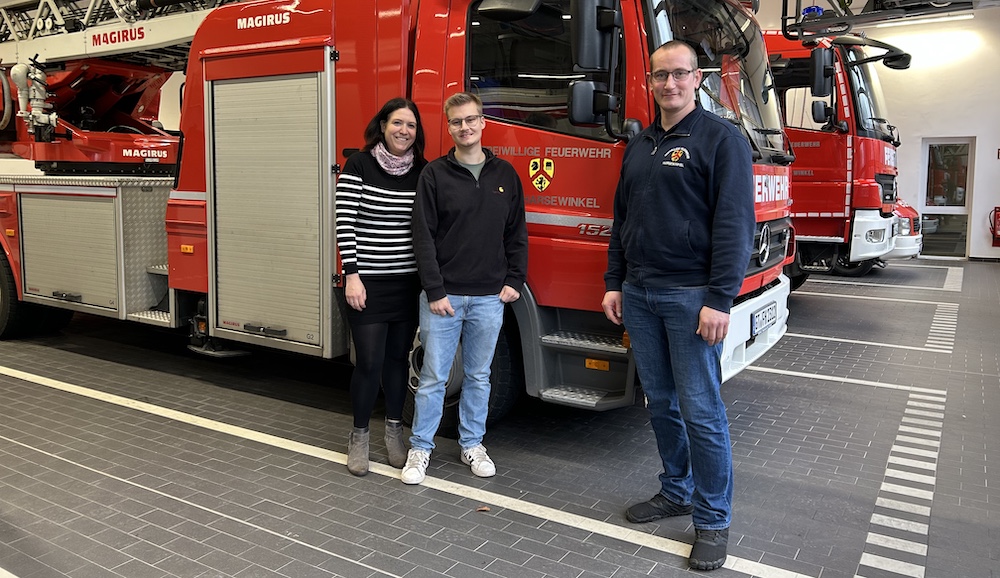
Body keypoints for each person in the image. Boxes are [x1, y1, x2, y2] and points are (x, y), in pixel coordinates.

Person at [601, 41, 755, 571]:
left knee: (701, 411)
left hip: (690, 297)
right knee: (661, 403)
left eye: (680, 74)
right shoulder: (640, 145)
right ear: (649, 81)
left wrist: (719, 299)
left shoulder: (721, 140)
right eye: (661, 75)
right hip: (640, 294)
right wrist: (615, 282)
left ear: (697, 79)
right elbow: (622, 220)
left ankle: (712, 520)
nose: (670, 83)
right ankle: (676, 491)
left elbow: (735, 224)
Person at [401, 92, 528, 485]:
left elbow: (516, 232)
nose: (465, 127)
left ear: (483, 122)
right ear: (449, 126)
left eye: (471, 119)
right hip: (444, 298)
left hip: (490, 297)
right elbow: (422, 236)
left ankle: (472, 444)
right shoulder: (434, 175)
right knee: (434, 377)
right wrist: (435, 289)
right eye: (457, 121)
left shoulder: (505, 175)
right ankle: (420, 448)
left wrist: (515, 280)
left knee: (478, 376)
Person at [335, 98, 427, 476]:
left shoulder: (423, 171)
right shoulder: (359, 164)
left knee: (396, 361)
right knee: (369, 363)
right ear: (383, 125)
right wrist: (352, 275)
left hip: (406, 282)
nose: (404, 131)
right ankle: (359, 437)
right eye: (397, 123)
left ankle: (393, 433)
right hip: (367, 283)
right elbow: (345, 221)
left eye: (411, 125)